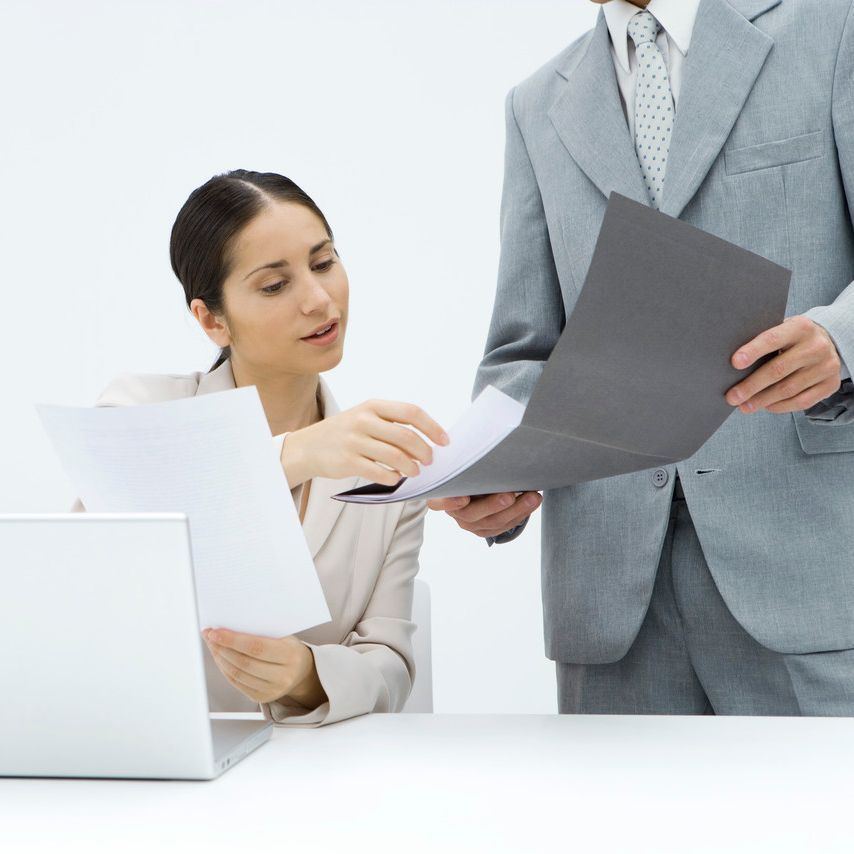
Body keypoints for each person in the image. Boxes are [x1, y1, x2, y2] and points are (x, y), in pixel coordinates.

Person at [431, 0, 854, 715]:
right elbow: (526, 349)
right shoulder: (536, 105)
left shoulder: (833, 27)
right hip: (611, 596)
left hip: (810, 568)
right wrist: (490, 470)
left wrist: (840, 339)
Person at [72, 169, 448, 726]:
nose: (319, 299)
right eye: (275, 286)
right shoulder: (140, 411)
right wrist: (296, 452)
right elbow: (105, 548)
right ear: (212, 320)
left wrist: (307, 676)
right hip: (149, 759)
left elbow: (390, 664)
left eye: (324, 263)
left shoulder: (385, 471)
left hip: (316, 769)